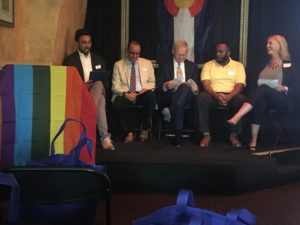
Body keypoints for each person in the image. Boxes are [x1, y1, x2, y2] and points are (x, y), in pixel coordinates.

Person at [228, 34, 300, 151]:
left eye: (270, 43)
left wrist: (285, 88)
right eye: (267, 43)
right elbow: (253, 86)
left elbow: (297, 89)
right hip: (263, 99)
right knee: (260, 100)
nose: (267, 46)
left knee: (264, 87)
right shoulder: (262, 65)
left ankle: (237, 116)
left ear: (280, 46)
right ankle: (254, 140)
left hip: (283, 101)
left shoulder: (290, 66)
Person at [63, 29, 115, 150]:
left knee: (98, 84)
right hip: (80, 91)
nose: (87, 45)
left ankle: (87, 114)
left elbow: (105, 82)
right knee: (100, 101)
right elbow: (68, 82)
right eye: (84, 43)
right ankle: (105, 138)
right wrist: (83, 86)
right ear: (78, 43)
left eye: (89, 42)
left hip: (95, 90)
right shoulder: (70, 60)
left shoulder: (99, 60)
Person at [196, 42, 246, 148]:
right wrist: (216, 96)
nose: (217, 54)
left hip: (231, 95)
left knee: (241, 99)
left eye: (221, 52)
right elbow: (206, 85)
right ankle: (206, 135)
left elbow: (239, 85)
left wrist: (228, 97)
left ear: (228, 53)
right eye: (216, 51)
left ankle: (234, 135)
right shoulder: (208, 65)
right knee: (201, 98)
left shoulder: (238, 66)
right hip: (213, 94)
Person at [111, 41, 156, 143]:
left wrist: (145, 90)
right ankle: (129, 131)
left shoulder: (147, 63)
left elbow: (152, 82)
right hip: (125, 93)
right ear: (127, 52)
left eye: (137, 53)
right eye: (132, 53)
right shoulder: (118, 65)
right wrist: (126, 94)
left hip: (141, 93)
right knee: (117, 103)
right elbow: (115, 86)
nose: (135, 56)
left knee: (151, 97)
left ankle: (145, 128)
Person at [156, 40, 199, 147]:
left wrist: (195, 88)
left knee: (184, 87)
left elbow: (196, 87)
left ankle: (171, 112)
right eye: (179, 54)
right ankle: (178, 135)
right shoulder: (165, 65)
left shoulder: (192, 66)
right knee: (180, 102)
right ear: (172, 51)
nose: (181, 57)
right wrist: (166, 85)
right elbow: (158, 86)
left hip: (188, 98)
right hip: (170, 96)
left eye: (184, 55)